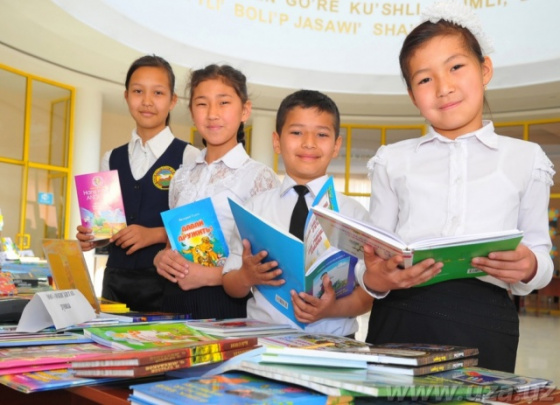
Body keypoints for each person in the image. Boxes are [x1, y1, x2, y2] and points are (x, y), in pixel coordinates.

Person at [356, 1, 554, 372]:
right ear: (413, 96)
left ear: (485, 69)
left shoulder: (527, 158)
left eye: (456, 67)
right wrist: (373, 277)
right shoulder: (392, 160)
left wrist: (529, 266)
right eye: (425, 79)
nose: (444, 87)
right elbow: (373, 255)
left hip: (486, 322)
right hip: (400, 315)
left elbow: (541, 257)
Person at [223, 90, 373, 337]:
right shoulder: (254, 209)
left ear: (336, 145)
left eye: (321, 134)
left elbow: (368, 295)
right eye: (296, 132)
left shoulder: (355, 215)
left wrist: (332, 309)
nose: (309, 143)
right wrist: (246, 276)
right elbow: (230, 284)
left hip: (334, 342)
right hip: (264, 339)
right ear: (276, 142)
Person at [154, 64, 279, 319]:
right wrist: (161, 259)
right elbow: (171, 245)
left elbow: (267, 265)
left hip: (227, 305)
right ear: (192, 112)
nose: (212, 114)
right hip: (173, 301)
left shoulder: (259, 177)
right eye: (202, 104)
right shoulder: (181, 176)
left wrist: (208, 276)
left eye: (224, 103)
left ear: (245, 111)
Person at [76, 55, 199, 312]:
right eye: (138, 91)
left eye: (158, 93)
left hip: (166, 282)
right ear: (126, 96)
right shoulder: (111, 158)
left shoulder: (189, 156)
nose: (147, 101)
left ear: (172, 100)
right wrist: (94, 238)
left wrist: (154, 234)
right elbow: (107, 230)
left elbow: (197, 229)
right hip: (115, 280)